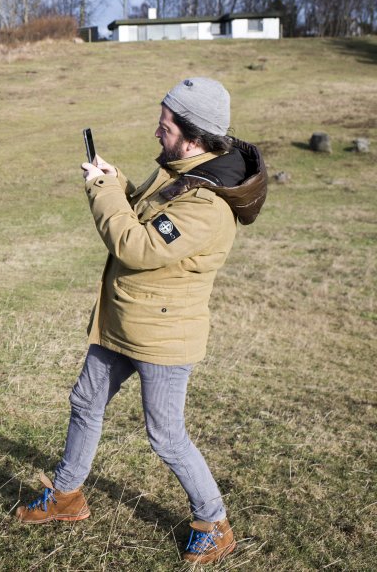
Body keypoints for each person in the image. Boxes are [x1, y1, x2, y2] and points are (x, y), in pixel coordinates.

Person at [14, 78, 267, 565]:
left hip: (164, 335)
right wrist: (119, 180)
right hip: (126, 317)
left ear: (192, 135)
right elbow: (145, 218)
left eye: (165, 124)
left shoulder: (208, 204)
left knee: (166, 436)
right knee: (85, 399)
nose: (157, 131)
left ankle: (213, 522)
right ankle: (67, 494)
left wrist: (100, 186)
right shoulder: (182, 171)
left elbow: (137, 245)